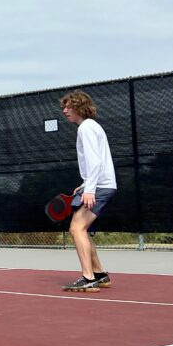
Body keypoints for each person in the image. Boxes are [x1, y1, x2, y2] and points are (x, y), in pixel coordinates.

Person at [60, 90, 117, 292]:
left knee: (77, 228)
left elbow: (95, 162)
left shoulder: (86, 128)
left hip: (100, 187)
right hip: (100, 184)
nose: (65, 111)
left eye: (68, 107)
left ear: (79, 107)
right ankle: (100, 275)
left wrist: (90, 189)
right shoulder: (91, 127)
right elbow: (96, 163)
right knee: (80, 229)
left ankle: (88, 278)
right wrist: (85, 184)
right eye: (64, 107)